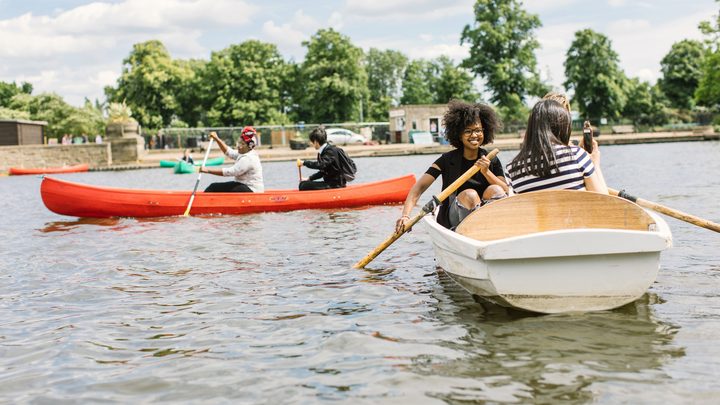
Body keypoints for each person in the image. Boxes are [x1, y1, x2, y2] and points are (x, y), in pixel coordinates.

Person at [395, 100, 509, 232]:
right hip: (454, 217)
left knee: (496, 189)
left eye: (478, 130)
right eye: (468, 131)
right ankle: (471, 232)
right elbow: (418, 189)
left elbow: (505, 190)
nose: (474, 135)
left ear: (485, 131)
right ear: (459, 135)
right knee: (470, 195)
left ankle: (493, 231)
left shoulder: (491, 159)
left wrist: (486, 172)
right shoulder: (447, 160)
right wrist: (405, 216)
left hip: (486, 217)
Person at [506, 98, 608, 194]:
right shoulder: (576, 155)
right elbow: (605, 202)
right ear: (562, 128)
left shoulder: (511, 168)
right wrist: (595, 164)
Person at [200, 127, 264, 193]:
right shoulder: (244, 152)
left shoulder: (248, 158)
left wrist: (207, 170)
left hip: (251, 189)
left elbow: (231, 172)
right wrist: (216, 139)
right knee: (219, 187)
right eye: (239, 143)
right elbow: (229, 152)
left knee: (213, 187)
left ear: (249, 146)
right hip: (244, 186)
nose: (239, 146)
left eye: (243, 144)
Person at [297, 126, 348, 191]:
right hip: (329, 183)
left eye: (312, 142)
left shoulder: (330, 151)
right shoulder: (323, 152)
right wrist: (309, 178)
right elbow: (323, 171)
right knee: (303, 184)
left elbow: (320, 165)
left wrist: (304, 163)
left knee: (303, 185)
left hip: (336, 184)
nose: (311, 144)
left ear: (315, 142)